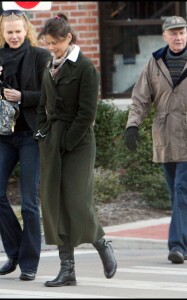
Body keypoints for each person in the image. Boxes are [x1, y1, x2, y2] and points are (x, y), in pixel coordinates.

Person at [35, 13, 117, 287]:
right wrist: (42, 131)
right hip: (51, 140)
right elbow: (42, 104)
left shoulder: (85, 68)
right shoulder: (49, 65)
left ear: (68, 38)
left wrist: (67, 141)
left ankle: (101, 242)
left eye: (55, 43)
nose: (51, 48)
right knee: (53, 203)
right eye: (47, 43)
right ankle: (67, 268)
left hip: (78, 142)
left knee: (76, 201)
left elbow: (86, 113)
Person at [124, 16, 187, 264]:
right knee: (177, 196)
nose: (178, 37)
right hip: (164, 137)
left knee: (183, 190)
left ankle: (177, 246)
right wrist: (132, 125)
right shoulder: (154, 63)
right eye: (173, 33)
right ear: (164, 36)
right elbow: (140, 99)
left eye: (182, 32)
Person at [0, 10, 51, 281]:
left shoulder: (40, 56)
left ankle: (29, 262)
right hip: (3, 136)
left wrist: (23, 96)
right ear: (3, 33)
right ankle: (15, 252)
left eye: (18, 31)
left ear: (26, 29)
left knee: (29, 202)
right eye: (9, 32)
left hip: (30, 135)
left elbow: (52, 95)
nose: (14, 36)